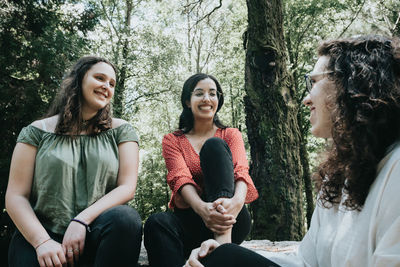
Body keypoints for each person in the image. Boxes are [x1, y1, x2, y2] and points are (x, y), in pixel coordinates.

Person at [185, 35, 400, 267]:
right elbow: (306, 261)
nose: (306, 99)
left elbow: (242, 174)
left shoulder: (395, 170)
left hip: (232, 215)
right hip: (194, 218)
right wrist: (227, 256)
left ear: (353, 83)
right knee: (218, 258)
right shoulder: (338, 175)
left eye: (313, 82)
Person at [6, 56, 142, 267]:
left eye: (112, 83)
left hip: (94, 233)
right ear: (78, 80)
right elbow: (16, 197)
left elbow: (127, 187)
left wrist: (81, 220)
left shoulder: (121, 131)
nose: (106, 86)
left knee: (126, 219)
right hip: (41, 237)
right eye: (100, 78)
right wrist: (42, 242)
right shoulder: (36, 132)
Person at [143, 73, 259, 267]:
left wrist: (236, 203)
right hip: (192, 218)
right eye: (199, 94)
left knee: (214, 146)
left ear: (218, 100)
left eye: (212, 94)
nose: (207, 99)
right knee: (156, 222)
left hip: (232, 219)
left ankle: (223, 251)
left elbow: (241, 171)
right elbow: (180, 178)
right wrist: (203, 209)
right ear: (188, 101)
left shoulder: (230, 134)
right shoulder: (173, 140)